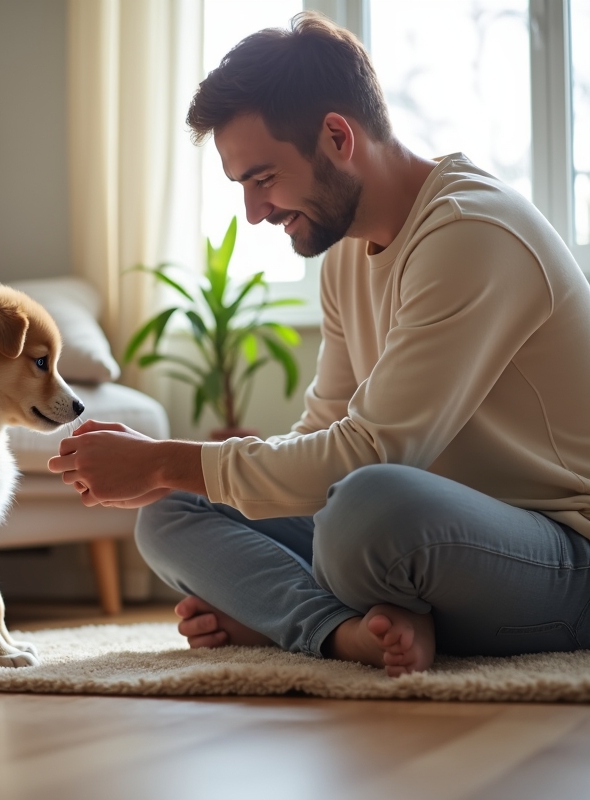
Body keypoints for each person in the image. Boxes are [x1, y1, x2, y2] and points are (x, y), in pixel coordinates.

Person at [48, 11, 590, 677]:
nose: (253, 213)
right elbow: (322, 433)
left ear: (337, 136)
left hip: (562, 552)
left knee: (363, 512)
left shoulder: (472, 233)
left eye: (262, 178)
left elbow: (372, 454)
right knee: (170, 513)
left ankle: (281, 615)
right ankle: (343, 634)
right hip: (430, 536)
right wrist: (174, 478)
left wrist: (162, 460)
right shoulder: (345, 255)